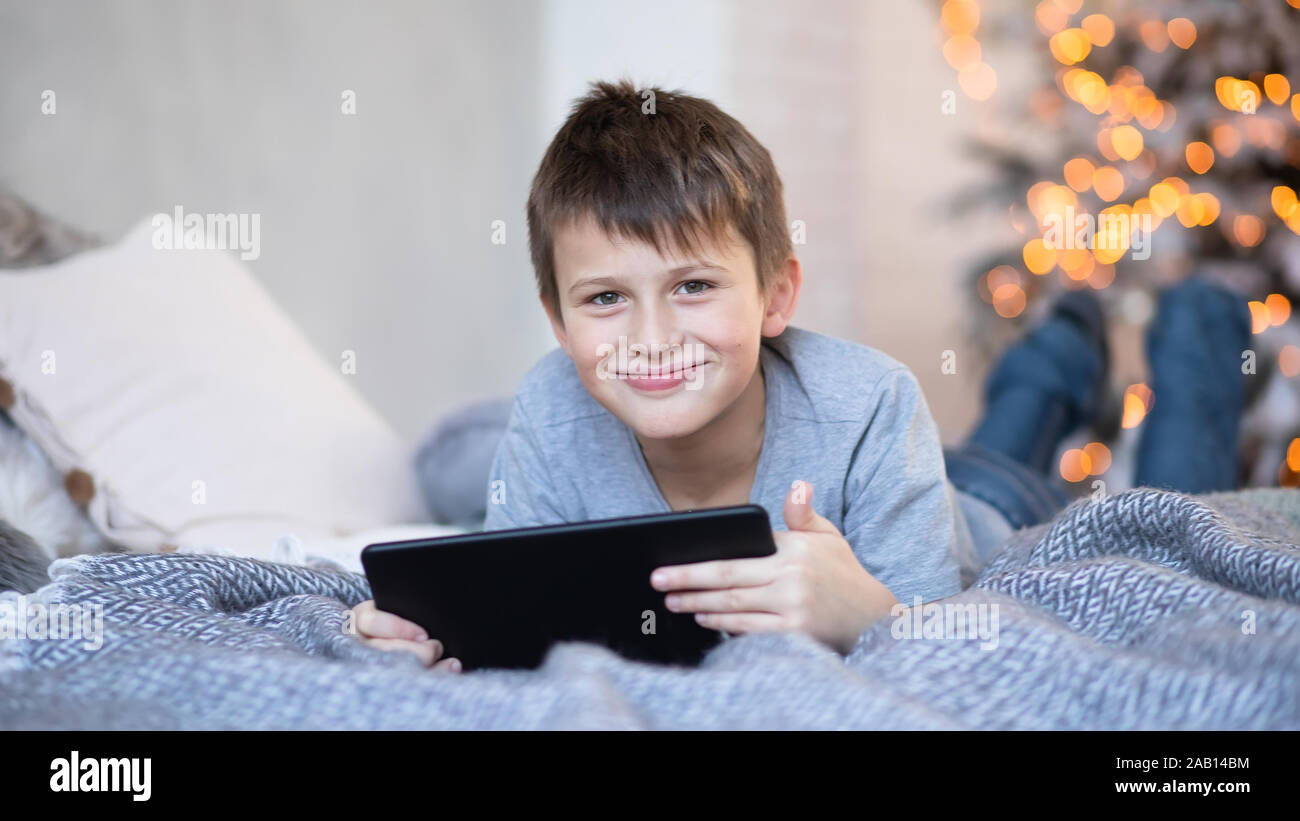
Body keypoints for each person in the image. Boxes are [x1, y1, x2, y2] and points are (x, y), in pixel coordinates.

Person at [350, 80, 1253, 671]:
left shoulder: (871, 400)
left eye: (694, 286)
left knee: (1134, 518)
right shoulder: (551, 407)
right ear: (556, 322)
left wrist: (866, 612)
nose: (650, 337)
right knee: (1002, 436)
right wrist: (429, 639)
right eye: (604, 300)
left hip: (976, 516)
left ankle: (1172, 337)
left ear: (776, 294)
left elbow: (937, 632)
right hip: (937, 476)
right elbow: (510, 619)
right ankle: (1059, 361)